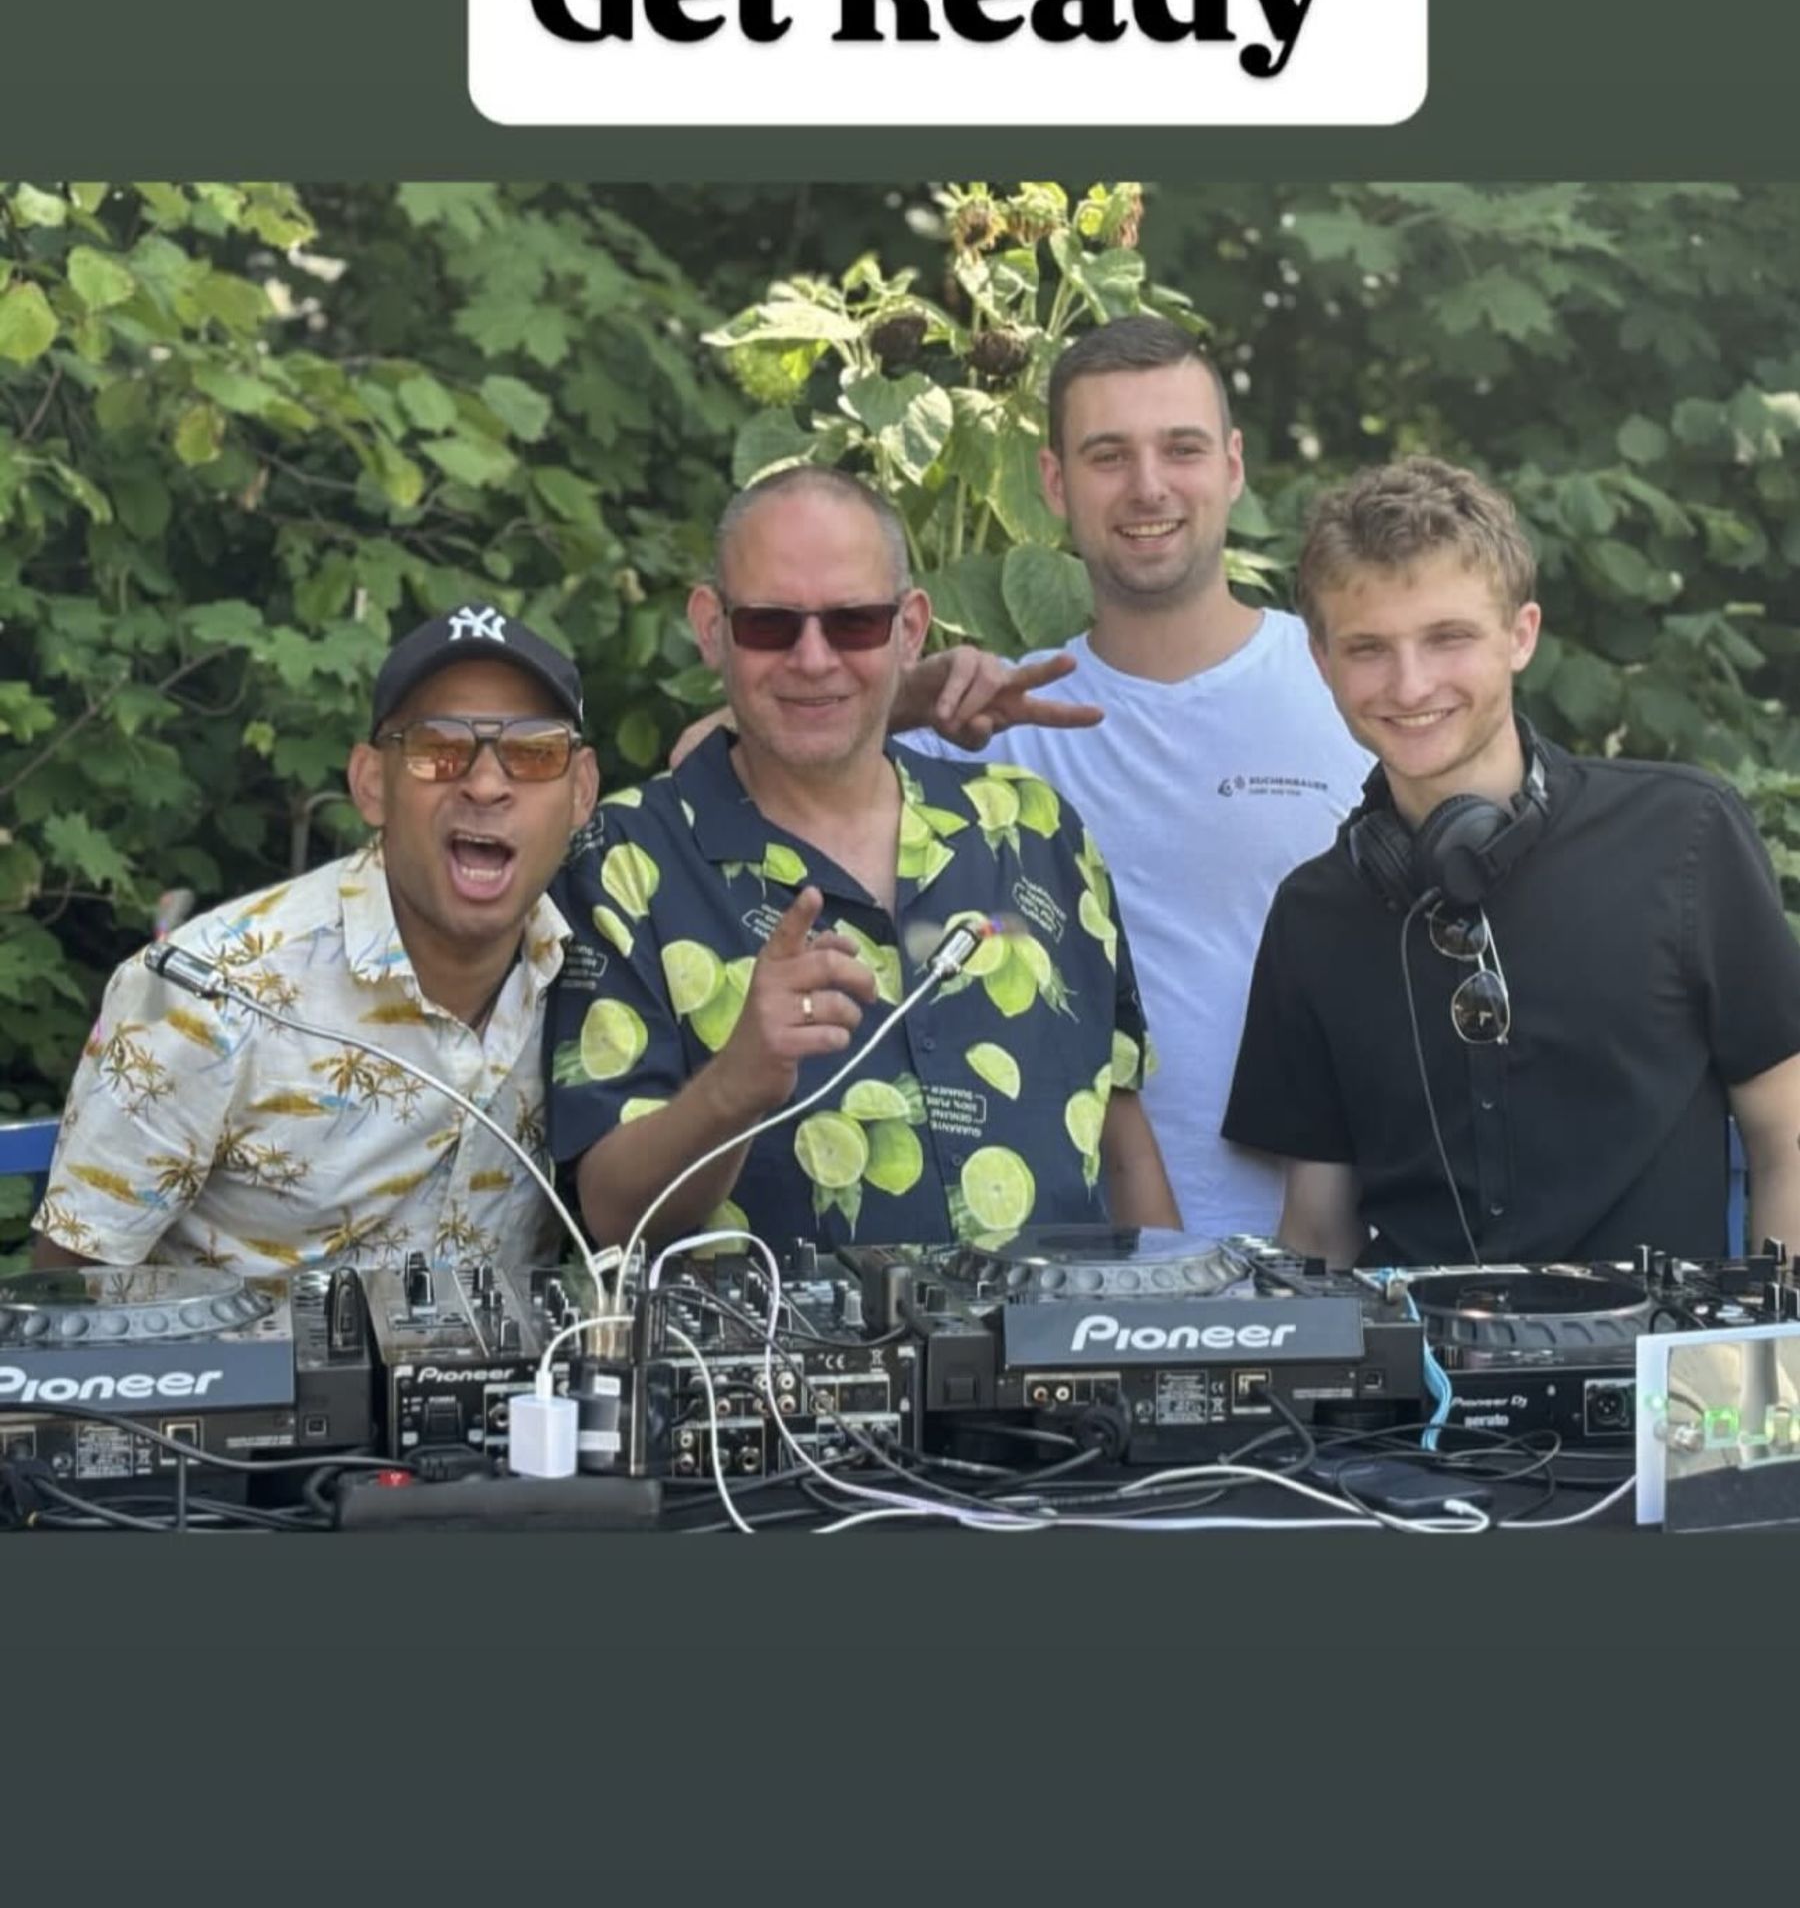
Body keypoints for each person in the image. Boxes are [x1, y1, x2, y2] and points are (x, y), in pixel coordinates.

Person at [548, 466, 1177, 1257]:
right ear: (711, 628)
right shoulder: (626, 861)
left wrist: (1180, 1313)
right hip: (761, 1344)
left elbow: (1122, 1142)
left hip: (1062, 1338)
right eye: (770, 624)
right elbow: (609, 1210)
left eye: (854, 623)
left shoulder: (1031, 826)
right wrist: (735, 1086)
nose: (813, 659)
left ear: (910, 630)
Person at [1221, 457, 1800, 1267]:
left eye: (1448, 637)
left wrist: (1776, 1342)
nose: (1409, 684)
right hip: (1415, 1355)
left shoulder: (1685, 835)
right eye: (1368, 648)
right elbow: (1318, 1231)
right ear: (1321, 661)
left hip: (1665, 1353)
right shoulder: (1312, 913)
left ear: (1521, 635)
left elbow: (1787, 1136)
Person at [899, 316, 1372, 1240]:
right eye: (1108, 455)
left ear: (1232, 467)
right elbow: (728, 757)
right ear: (1054, 483)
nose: (1148, 485)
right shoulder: (994, 721)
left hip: (1332, 1260)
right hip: (1066, 1267)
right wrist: (901, 703)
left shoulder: (1350, 688)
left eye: (1181, 449)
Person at [33, 605, 599, 1286]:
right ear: (370, 784)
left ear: (581, 791)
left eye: (534, 752)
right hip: (231, 1361)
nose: (484, 783)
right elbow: (69, 1297)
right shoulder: (208, 993)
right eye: (437, 748)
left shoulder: (595, 972)